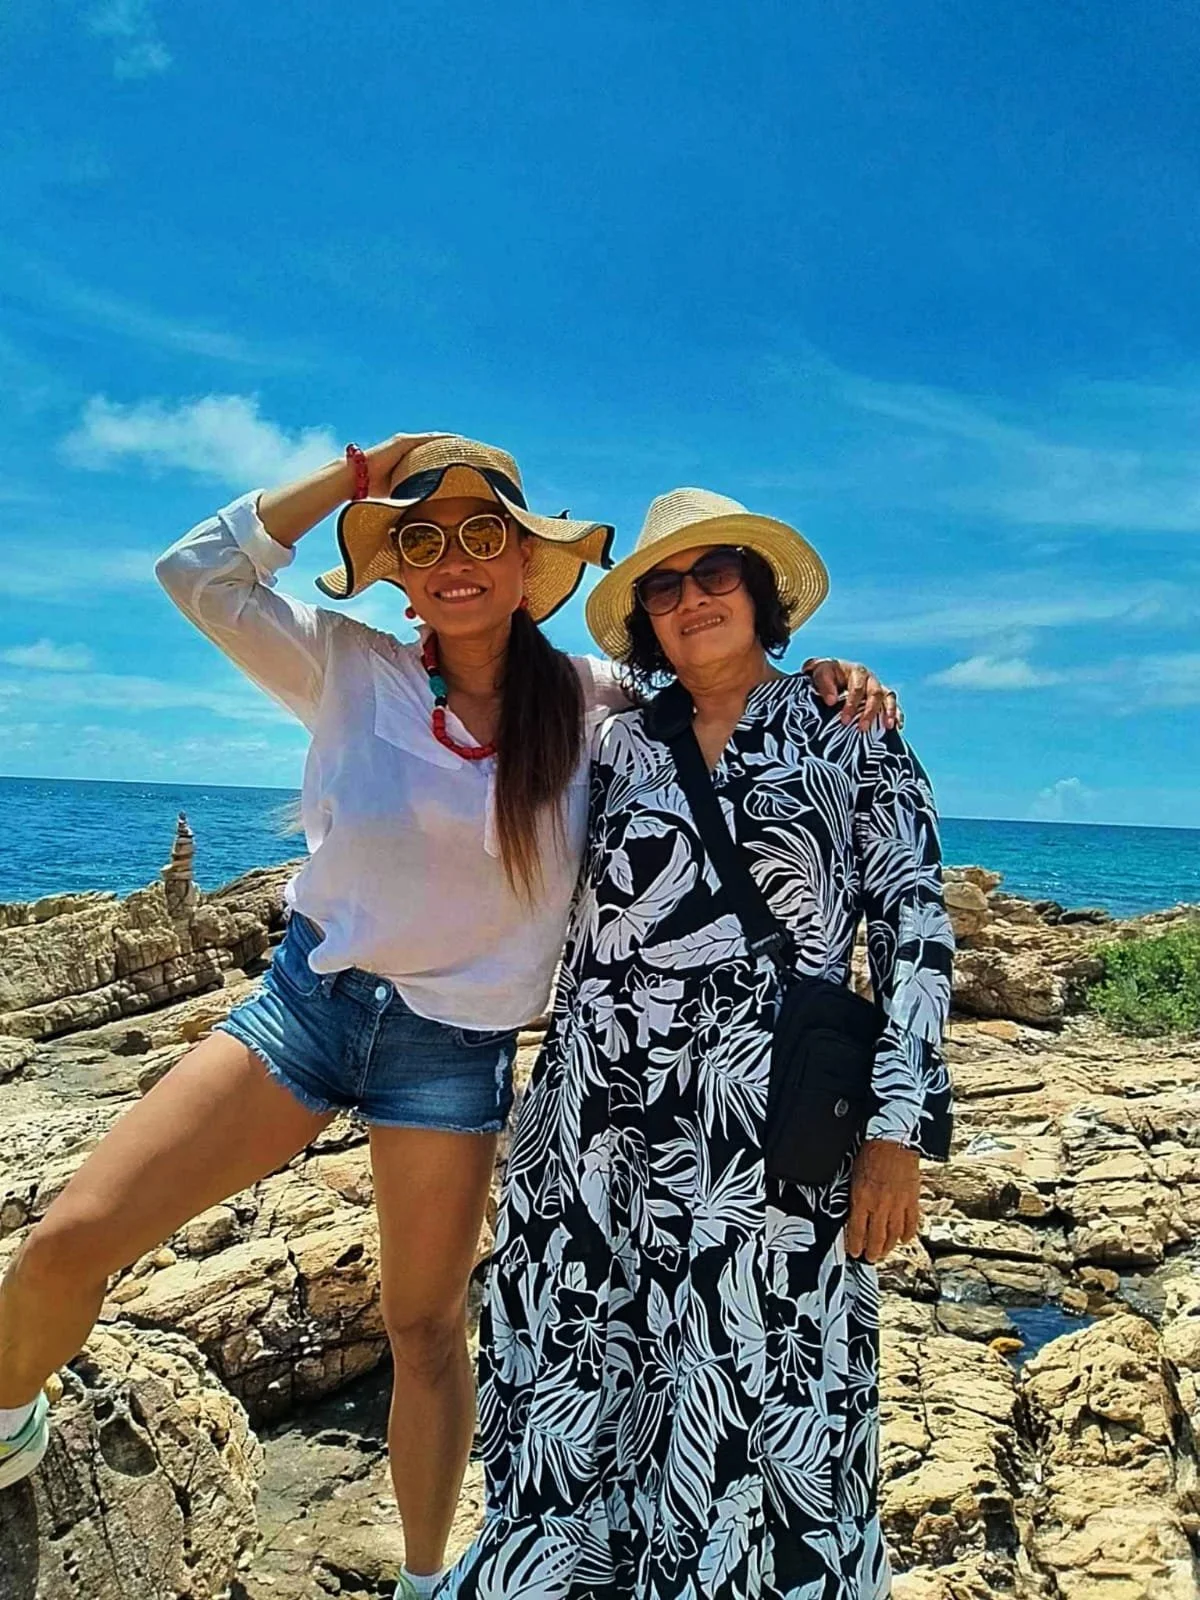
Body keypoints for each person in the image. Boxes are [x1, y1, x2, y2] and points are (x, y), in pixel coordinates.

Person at [0, 439, 896, 1600]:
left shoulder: (595, 703)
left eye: (485, 535)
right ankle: (12, 1421)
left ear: (528, 563)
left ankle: (428, 1580)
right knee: (70, 1240)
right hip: (309, 1012)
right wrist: (356, 476)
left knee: (424, 1332)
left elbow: (720, 688)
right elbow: (196, 573)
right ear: (398, 573)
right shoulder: (346, 665)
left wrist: (826, 674)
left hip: (454, 1057)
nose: (455, 559)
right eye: (421, 540)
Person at [443, 487, 954, 1600]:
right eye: (664, 587)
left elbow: (916, 928)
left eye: (716, 573)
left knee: (768, 1376)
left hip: (764, 1129)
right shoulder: (616, 741)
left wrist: (899, 1131)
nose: (689, 599)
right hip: (596, 1122)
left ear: (764, 598)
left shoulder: (851, 731)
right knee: (581, 1361)